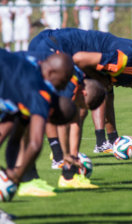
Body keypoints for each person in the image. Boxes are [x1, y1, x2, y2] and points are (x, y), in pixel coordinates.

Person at [28, 28, 132, 145]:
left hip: (58, 45)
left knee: (85, 102)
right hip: (55, 46)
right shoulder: (126, 61)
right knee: (64, 105)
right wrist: (99, 78)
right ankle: (63, 158)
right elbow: (78, 59)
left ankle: (71, 155)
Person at [0, 50, 76, 201]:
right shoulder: (40, 93)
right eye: (62, 82)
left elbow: (14, 139)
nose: (62, 88)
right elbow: (35, 144)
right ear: (51, 71)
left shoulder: (32, 62)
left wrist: (11, 170)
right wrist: (16, 177)